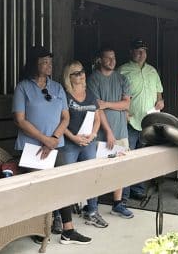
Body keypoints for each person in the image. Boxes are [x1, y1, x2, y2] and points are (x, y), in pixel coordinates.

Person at [12, 45, 92, 245]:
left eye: (50, 62)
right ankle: (39, 228)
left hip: (57, 145)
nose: (49, 65)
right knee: (39, 187)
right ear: (34, 64)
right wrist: (44, 139)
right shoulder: (23, 87)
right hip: (31, 147)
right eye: (44, 62)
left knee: (62, 183)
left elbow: (65, 117)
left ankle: (68, 230)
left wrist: (54, 138)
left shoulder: (56, 87)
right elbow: (20, 120)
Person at [57, 60, 108, 228]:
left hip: (88, 142)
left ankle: (92, 211)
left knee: (92, 176)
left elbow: (97, 117)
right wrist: (73, 137)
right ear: (69, 77)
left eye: (82, 72)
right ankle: (58, 216)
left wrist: (93, 134)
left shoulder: (90, 93)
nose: (81, 75)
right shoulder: (64, 95)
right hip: (70, 143)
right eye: (76, 73)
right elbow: (59, 121)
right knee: (65, 179)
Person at [87, 47, 134, 219]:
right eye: (108, 58)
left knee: (120, 169)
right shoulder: (93, 79)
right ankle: (93, 206)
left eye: (113, 58)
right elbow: (97, 109)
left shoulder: (122, 78)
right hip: (101, 134)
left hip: (121, 131)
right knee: (99, 171)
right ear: (100, 60)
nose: (112, 61)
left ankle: (117, 204)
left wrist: (106, 103)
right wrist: (108, 132)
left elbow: (126, 105)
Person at [119, 38, 164, 202]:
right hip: (130, 122)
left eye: (143, 50)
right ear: (131, 52)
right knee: (125, 157)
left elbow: (159, 95)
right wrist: (122, 111)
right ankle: (122, 194)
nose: (141, 53)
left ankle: (137, 189)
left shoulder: (152, 71)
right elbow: (117, 96)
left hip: (148, 122)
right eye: (137, 50)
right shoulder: (123, 71)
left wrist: (161, 102)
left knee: (141, 158)